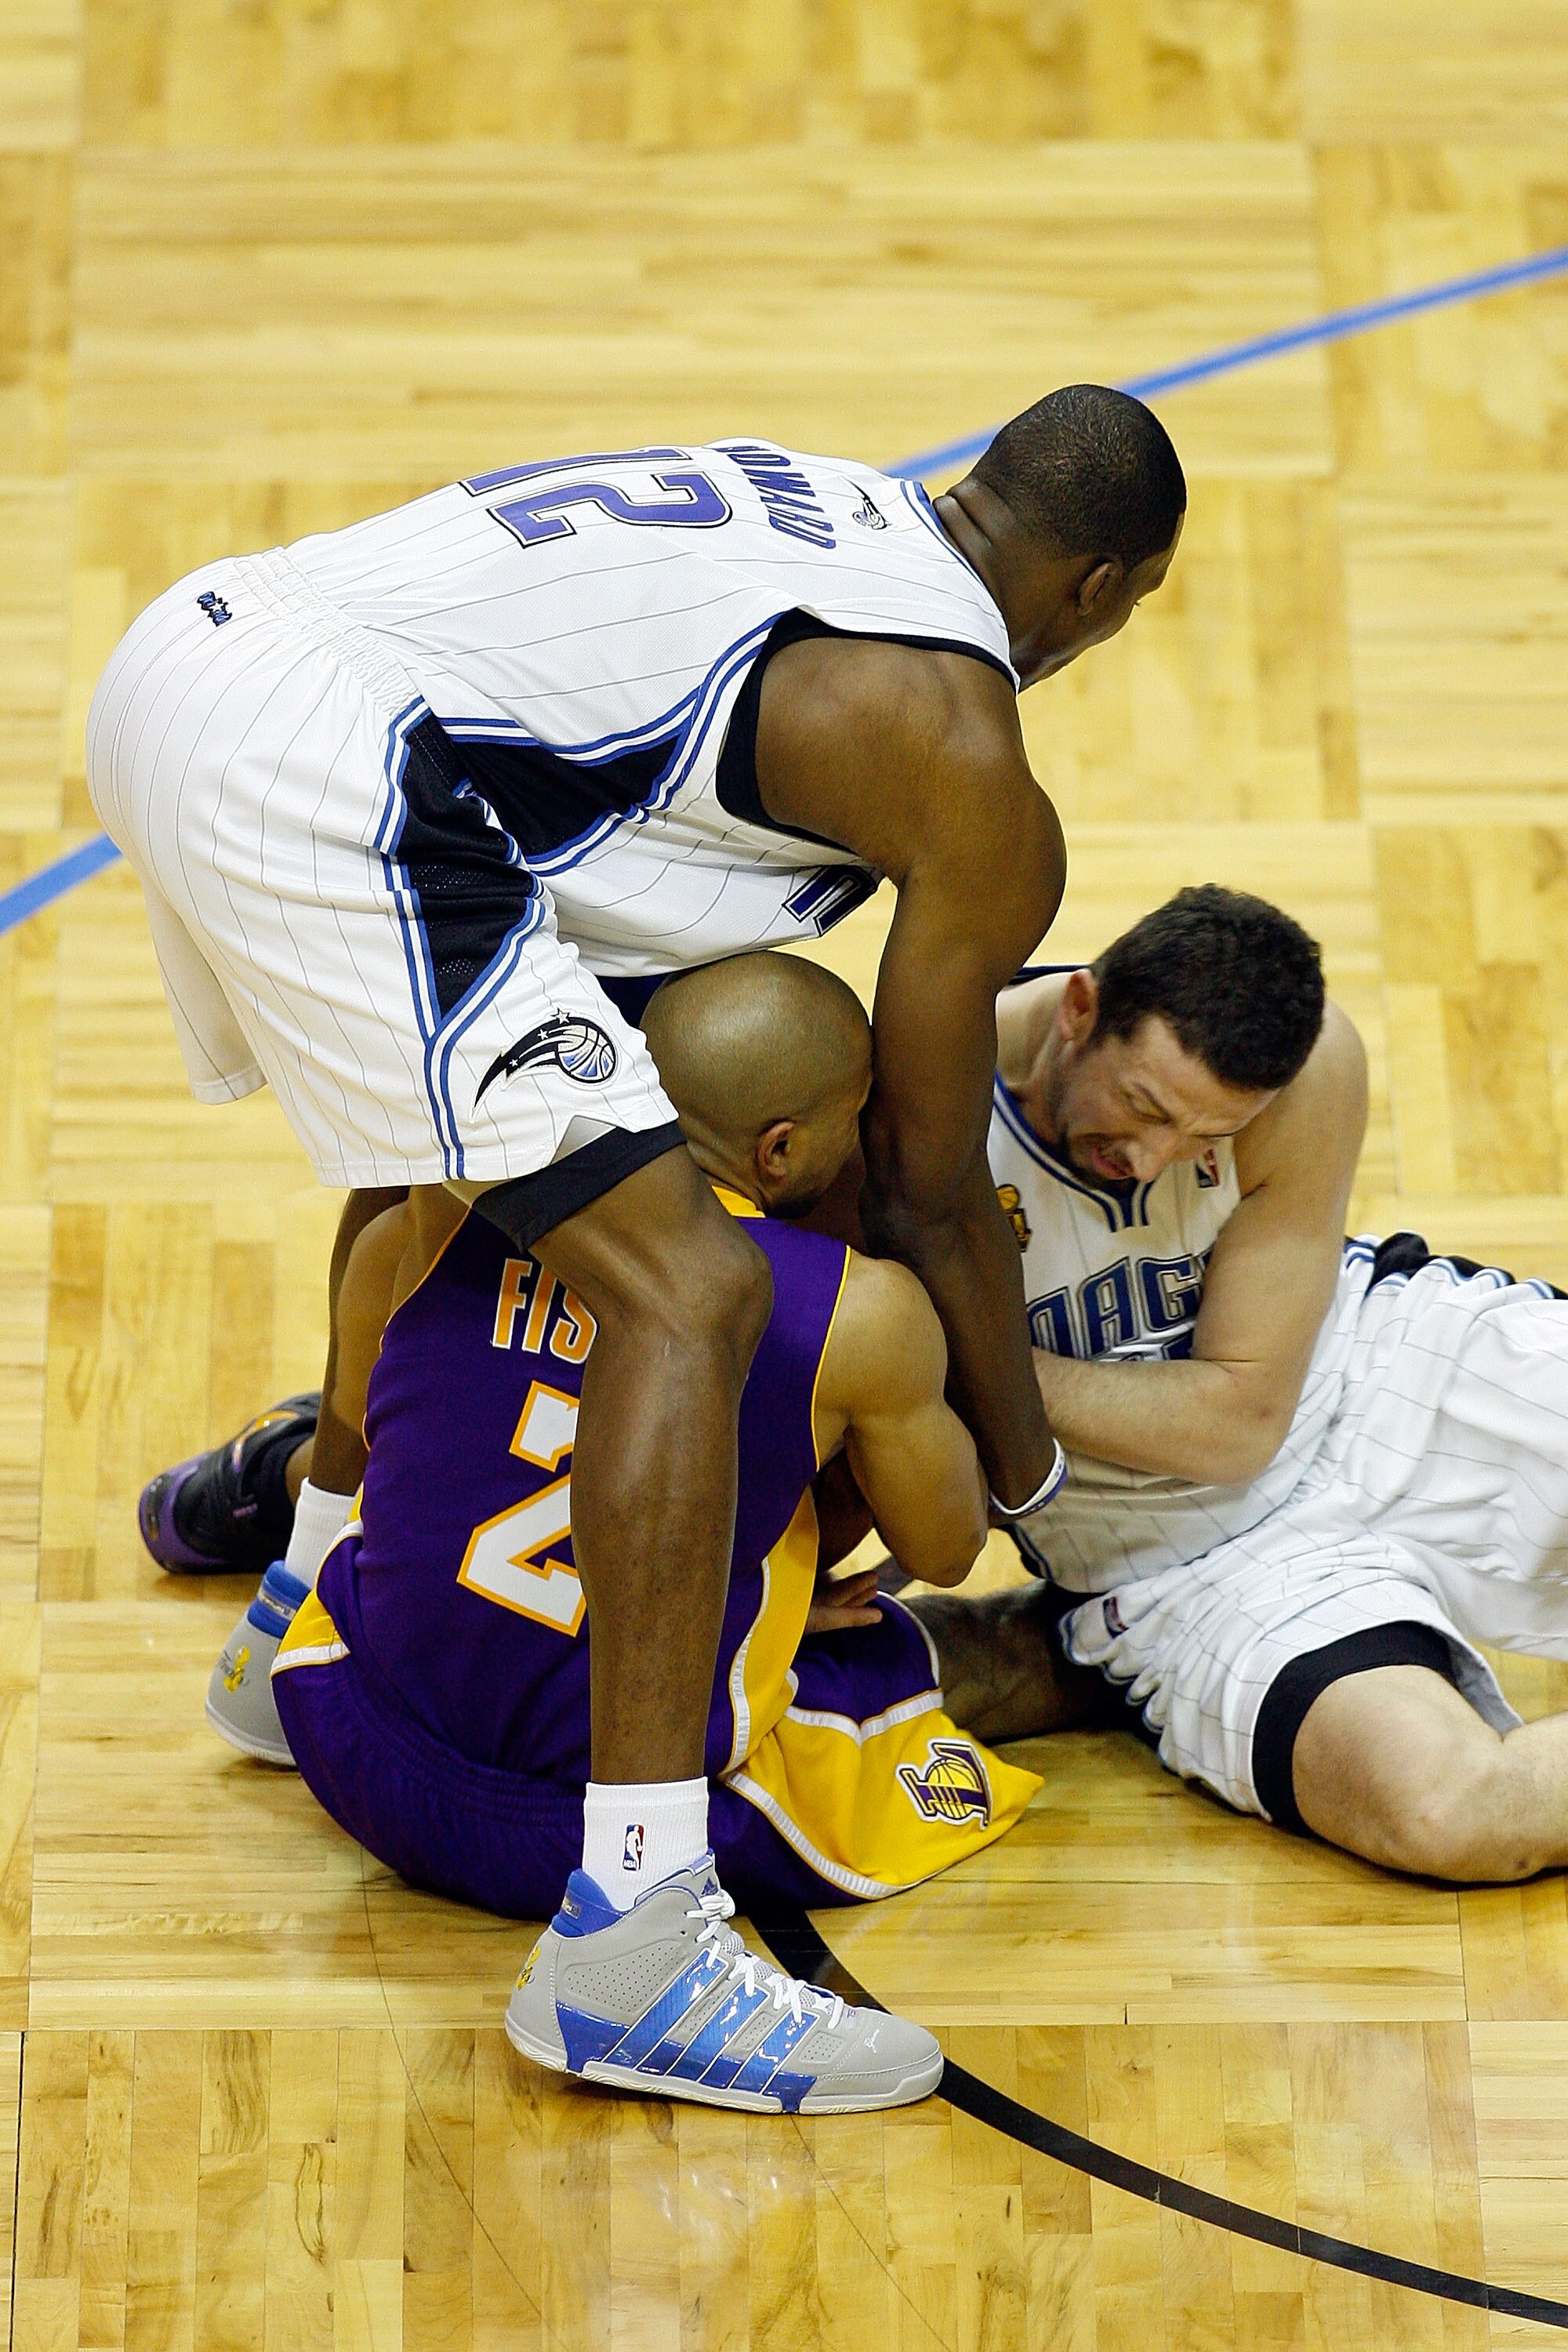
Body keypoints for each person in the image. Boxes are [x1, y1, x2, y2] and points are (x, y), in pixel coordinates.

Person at [94, 385, 1183, 2104]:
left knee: (453, 1148)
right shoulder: (963, 746)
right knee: (694, 1287)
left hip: (191, 655)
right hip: (326, 755)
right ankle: (634, 1943)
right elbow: (915, 1174)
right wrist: (1043, 1483)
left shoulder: (827, 505)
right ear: (1103, 593)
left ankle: (296, 1610)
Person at [155, 955, 1040, 2113]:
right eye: (857, 1111)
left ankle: (260, 1557)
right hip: (559, 1837)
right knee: (946, 1664)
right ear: (780, 1151)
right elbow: (943, 1548)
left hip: (347, 1728)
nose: (871, 1133)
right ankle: (643, 1958)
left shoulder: (457, 1193)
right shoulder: (857, 1310)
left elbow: (368, 1375)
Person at [922, 884, 1568, 1886]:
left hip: (1379, 1372)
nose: (1153, 1161)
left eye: (1207, 1140)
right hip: (1184, 1575)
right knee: (1456, 1814)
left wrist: (969, 1365)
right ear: (1078, 1010)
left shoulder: (1310, 1070)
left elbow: (1235, 1419)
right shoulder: (912, 1119)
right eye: (1142, 1108)